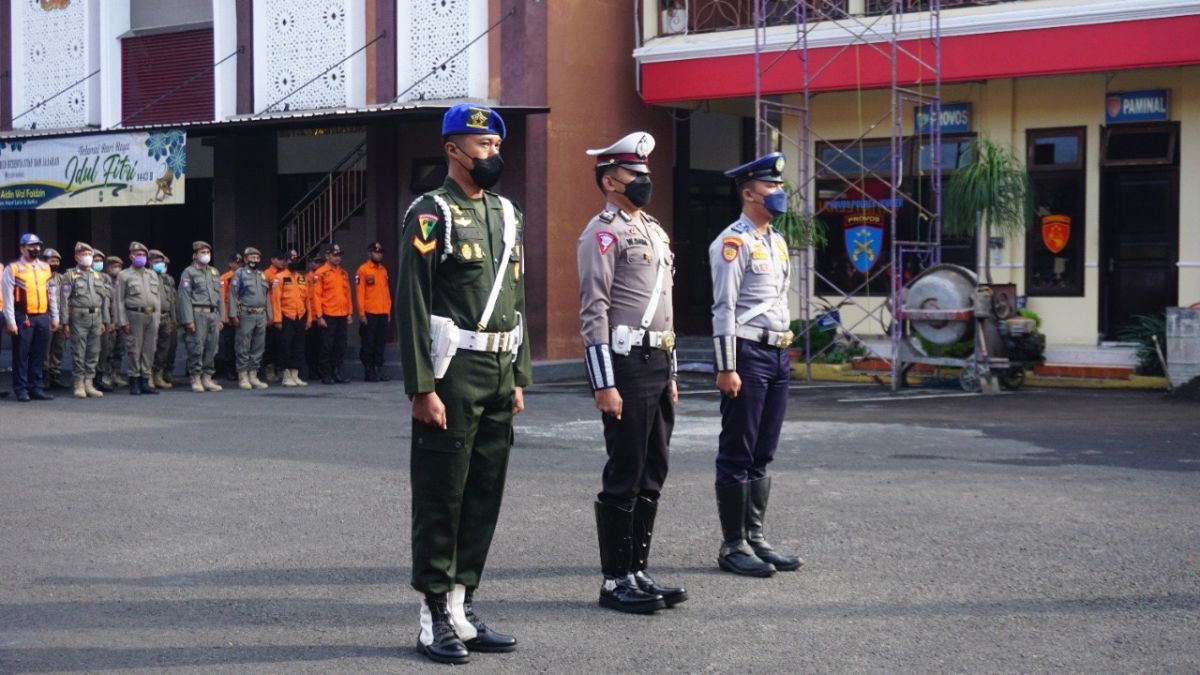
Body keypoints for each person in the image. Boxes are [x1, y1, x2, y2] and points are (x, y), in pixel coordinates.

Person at [397, 103, 530, 664]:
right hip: (452, 373)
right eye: (482, 146)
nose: (493, 153)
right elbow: (412, 302)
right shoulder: (432, 212)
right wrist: (421, 387)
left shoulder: (507, 213)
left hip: (499, 369)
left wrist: (519, 375)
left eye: (496, 145)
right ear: (453, 150)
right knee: (442, 494)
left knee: (482, 494)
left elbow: (516, 296)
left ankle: (461, 606)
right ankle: (432, 617)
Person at [577, 132, 686, 614]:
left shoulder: (655, 231)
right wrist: (603, 382)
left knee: (653, 468)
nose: (644, 180)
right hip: (625, 364)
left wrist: (672, 371)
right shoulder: (602, 233)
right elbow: (594, 310)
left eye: (646, 173)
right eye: (634, 174)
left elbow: (665, 307)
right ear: (610, 181)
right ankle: (614, 579)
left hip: (657, 362)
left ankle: (638, 571)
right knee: (625, 469)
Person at [709, 152, 804, 577]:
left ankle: (756, 537)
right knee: (738, 449)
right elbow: (724, 308)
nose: (779, 192)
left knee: (763, 451)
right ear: (749, 193)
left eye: (780, 185)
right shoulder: (733, 242)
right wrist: (726, 367)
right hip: (747, 355)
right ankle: (733, 545)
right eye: (771, 186)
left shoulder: (776, 241)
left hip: (777, 354)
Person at [2, 233, 59, 401]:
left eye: (37, 245)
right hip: (23, 316)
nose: (36, 249)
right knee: (21, 355)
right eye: (31, 246)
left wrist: (55, 316)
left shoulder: (45, 268)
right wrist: (11, 321)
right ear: (22, 248)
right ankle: (21, 389)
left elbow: (51, 293)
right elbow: (8, 297)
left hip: (42, 316)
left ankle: (36, 387)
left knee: (39, 354)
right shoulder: (13, 268)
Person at [61, 242, 109, 399]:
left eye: (89, 254)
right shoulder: (70, 275)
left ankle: (89, 383)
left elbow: (103, 300)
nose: (88, 257)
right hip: (78, 317)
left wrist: (104, 321)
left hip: (96, 317)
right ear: (76, 257)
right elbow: (64, 300)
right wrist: (65, 323)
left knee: (94, 351)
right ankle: (79, 384)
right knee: (79, 352)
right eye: (84, 254)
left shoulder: (98, 275)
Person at [177, 241, 227, 393]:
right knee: (196, 347)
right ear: (195, 255)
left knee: (212, 347)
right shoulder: (189, 272)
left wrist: (221, 317)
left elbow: (219, 296)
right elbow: (184, 297)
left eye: (208, 252)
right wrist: (188, 320)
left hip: (213, 314)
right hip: (198, 313)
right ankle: (196, 377)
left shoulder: (214, 272)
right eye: (202, 252)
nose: (206, 255)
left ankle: (207, 377)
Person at [116, 241, 162, 395]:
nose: (141, 257)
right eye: (138, 254)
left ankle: (145, 380)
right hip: (134, 315)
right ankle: (134, 380)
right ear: (131, 256)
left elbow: (157, 298)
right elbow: (119, 300)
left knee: (149, 349)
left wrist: (157, 317)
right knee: (134, 349)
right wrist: (123, 321)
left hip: (151, 315)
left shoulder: (152, 274)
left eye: (143, 255)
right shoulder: (124, 275)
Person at [228, 246, 273, 390]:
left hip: (261, 315)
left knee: (258, 346)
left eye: (257, 258)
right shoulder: (239, 274)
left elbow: (267, 297)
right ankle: (243, 376)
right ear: (246, 259)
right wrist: (233, 315)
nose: (255, 260)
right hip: (246, 314)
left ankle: (253, 375)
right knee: (243, 345)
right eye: (252, 257)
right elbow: (232, 295)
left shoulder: (262, 275)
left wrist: (269, 315)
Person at [311, 243, 352, 384]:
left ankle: (336, 372)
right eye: (335, 255)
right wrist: (319, 316)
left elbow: (347, 294)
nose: (338, 258)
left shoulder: (343, 273)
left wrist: (349, 313)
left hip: (342, 313)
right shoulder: (320, 273)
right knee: (326, 345)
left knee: (340, 345)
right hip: (328, 314)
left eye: (339, 255)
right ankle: (326, 374)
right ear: (327, 256)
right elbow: (316, 296)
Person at [270, 251, 311, 387]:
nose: (294, 262)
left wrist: (309, 319)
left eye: (296, 259)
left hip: (300, 316)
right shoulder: (279, 277)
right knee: (285, 347)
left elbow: (307, 300)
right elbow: (275, 300)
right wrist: (277, 319)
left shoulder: (301, 278)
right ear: (285, 261)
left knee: (298, 347)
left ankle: (295, 374)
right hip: (286, 316)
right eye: (291, 259)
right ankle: (286, 375)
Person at [356, 241, 392, 382]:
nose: (379, 255)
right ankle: (369, 371)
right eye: (376, 252)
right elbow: (360, 293)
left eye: (380, 252)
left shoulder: (383, 270)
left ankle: (378, 369)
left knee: (380, 343)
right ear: (369, 253)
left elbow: (386, 293)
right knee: (368, 343)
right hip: (369, 312)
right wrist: (361, 313)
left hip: (382, 312)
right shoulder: (363, 270)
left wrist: (388, 311)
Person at [149, 250, 178, 389]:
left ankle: (158, 375)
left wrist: (174, 320)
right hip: (152, 317)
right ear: (150, 262)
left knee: (163, 348)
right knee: (150, 348)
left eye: (161, 262)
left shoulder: (168, 279)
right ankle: (148, 375)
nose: (160, 264)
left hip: (166, 317)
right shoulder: (147, 276)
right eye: (156, 262)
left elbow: (171, 300)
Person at [41, 248, 68, 390]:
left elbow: (66, 299)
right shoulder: (40, 277)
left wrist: (65, 320)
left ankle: (55, 375)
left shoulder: (62, 279)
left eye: (57, 261)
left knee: (58, 348)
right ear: (45, 261)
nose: (55, 263)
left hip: (60, 318)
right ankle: (43, 377)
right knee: (44, 349)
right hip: (46, 317)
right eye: (52, 261)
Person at [89, 249, 115, 393]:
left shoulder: (106, 278)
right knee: (91, 350)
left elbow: (111, 300)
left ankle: (99, 378)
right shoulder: (86, 276)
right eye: (95, 260)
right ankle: (89, 380)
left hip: (106, 319)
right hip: (92, 318)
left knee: (104, 350)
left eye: (100, 260)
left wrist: (112, 320)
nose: (98, 263)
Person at [101, 255, 129, 388]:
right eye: (114, 266)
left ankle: (116, 374)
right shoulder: (104, 281)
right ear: (108, 268)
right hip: (111, 321)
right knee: (108, 350)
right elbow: (107, 305)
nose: (117, 269)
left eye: (119, 267)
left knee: (119, 349)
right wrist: (111, 322)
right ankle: (106, 375)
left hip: (122, 321)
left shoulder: (123, 282)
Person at [262, 250, 288, 383]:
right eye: (280, 259)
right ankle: (270, 369)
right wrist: (266, 315)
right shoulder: (266, 274)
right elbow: (263, 295)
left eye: (284, 259)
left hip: (284, 313)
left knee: (282, 344)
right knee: (270, 344)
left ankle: (282, 369)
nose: (282, 261)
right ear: (272, 259)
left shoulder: (287, 273)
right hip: (270, 313)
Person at [216, 252, 242, 381]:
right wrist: (225, 317)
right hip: (230, 317)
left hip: (243, 315)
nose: (238, 265)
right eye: (236, 263)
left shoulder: (245, 276)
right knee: (228, 345)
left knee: (242, 345)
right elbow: (222, 298)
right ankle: (229, 370)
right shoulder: (225, 278)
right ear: (230, 264)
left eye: (240, 263)